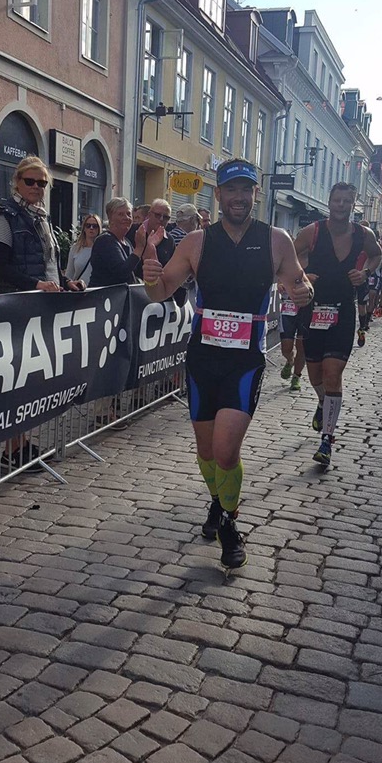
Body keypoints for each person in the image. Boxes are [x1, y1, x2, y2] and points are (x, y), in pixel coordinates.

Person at [141, 158, 314, 570]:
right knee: (206, 451)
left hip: (245, 362)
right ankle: (219, 502)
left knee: (225, 450)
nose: (239, 197)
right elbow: (160, 292)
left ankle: (230, 525)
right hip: (203, 359)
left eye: (246, 190)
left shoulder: (276, 240)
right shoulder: (196, 242)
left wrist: (303, 291)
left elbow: (298, 282)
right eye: (231, 189)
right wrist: (149, 276)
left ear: (256, 194)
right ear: (218, 195)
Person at [294, 183, 382, 468]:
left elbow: (377, 254)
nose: (341, 205)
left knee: (333, 375)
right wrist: (302, 275)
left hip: (343, 312)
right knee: (315, 375)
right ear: (329, 202)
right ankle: (322, 402)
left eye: (347, 201)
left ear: (353, 205)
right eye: (337, 200)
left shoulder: (363, 235)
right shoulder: (313, 232)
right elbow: (288, 256)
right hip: (313, 310)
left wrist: (365, 272)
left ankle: (327, 440)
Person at [0, 156, 81, 294]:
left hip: (49, 298)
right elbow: (0, 267)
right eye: (29, 181)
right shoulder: (5, 216)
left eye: (42, 183)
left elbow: (48, 266)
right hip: (20, 300)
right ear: (17, 182)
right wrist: (37, 285)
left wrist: (66, 283)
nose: (36, 186)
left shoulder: (43, 218)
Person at [88, 197, 149, 287]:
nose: (126, 218)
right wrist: (139, 248)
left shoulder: (127, 242)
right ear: (110, 218)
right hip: (105, 294)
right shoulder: (105, 241)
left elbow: (137, 271)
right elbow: (122, 273)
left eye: (129, 214)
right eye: (121, 214)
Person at [279, 289, 307, 392]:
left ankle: (296, 376)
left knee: (302, 347)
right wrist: (280, 284)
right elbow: (278, 281)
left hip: (307, 308)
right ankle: (290, 360)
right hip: (288, 306)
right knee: (286, 348)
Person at [65, 214, 102, 284]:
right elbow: (69, 274)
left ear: (99, 229)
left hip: (96, 289)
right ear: (84, 228)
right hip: (79, 289)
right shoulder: (75, 248)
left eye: (95, 226)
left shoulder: (103, 249)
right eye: (88, 225)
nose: (91, 228)